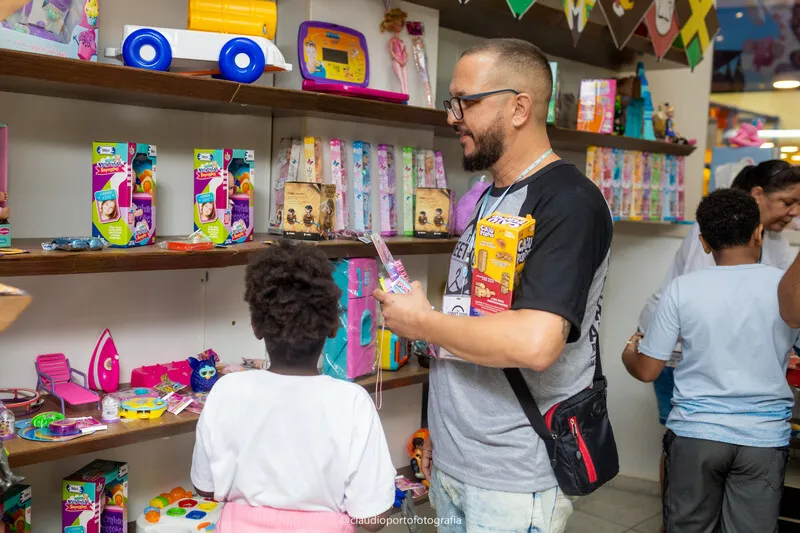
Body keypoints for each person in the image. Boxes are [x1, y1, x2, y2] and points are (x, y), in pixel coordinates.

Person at [374, 38, 613, 532]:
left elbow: (534, 343)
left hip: (515, 477)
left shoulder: (569, 202)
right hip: (459, 462)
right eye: (451, 102)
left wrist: (424, 321)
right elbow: (476, 320)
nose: (452, 117)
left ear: (519, 107)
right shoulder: (491, 196)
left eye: (466, 102)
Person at [622, 188, 797, 533]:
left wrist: (630, 352)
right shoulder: (785, 289)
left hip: (696, 434)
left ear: (703, 242)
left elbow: (648, 370)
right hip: (763, 439)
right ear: (758, 233)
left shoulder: (683, 289)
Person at [191, 240, 395, 532]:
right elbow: (372, 518)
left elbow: (205, 488)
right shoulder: (351, 402)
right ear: (333, 327)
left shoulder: (226, 392)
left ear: (257, 327)